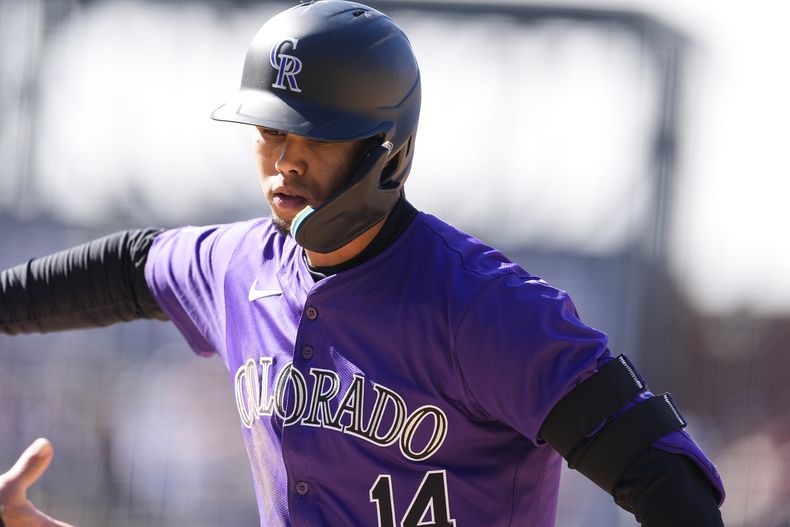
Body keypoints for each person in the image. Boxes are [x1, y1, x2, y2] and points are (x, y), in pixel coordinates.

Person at [0, 1, 725, 525]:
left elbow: (665, 476)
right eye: (269, 129)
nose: (285, 158)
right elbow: (131, 268)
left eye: (314, 133)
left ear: (388, 150)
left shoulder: (482, 304)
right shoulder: (238, 265)